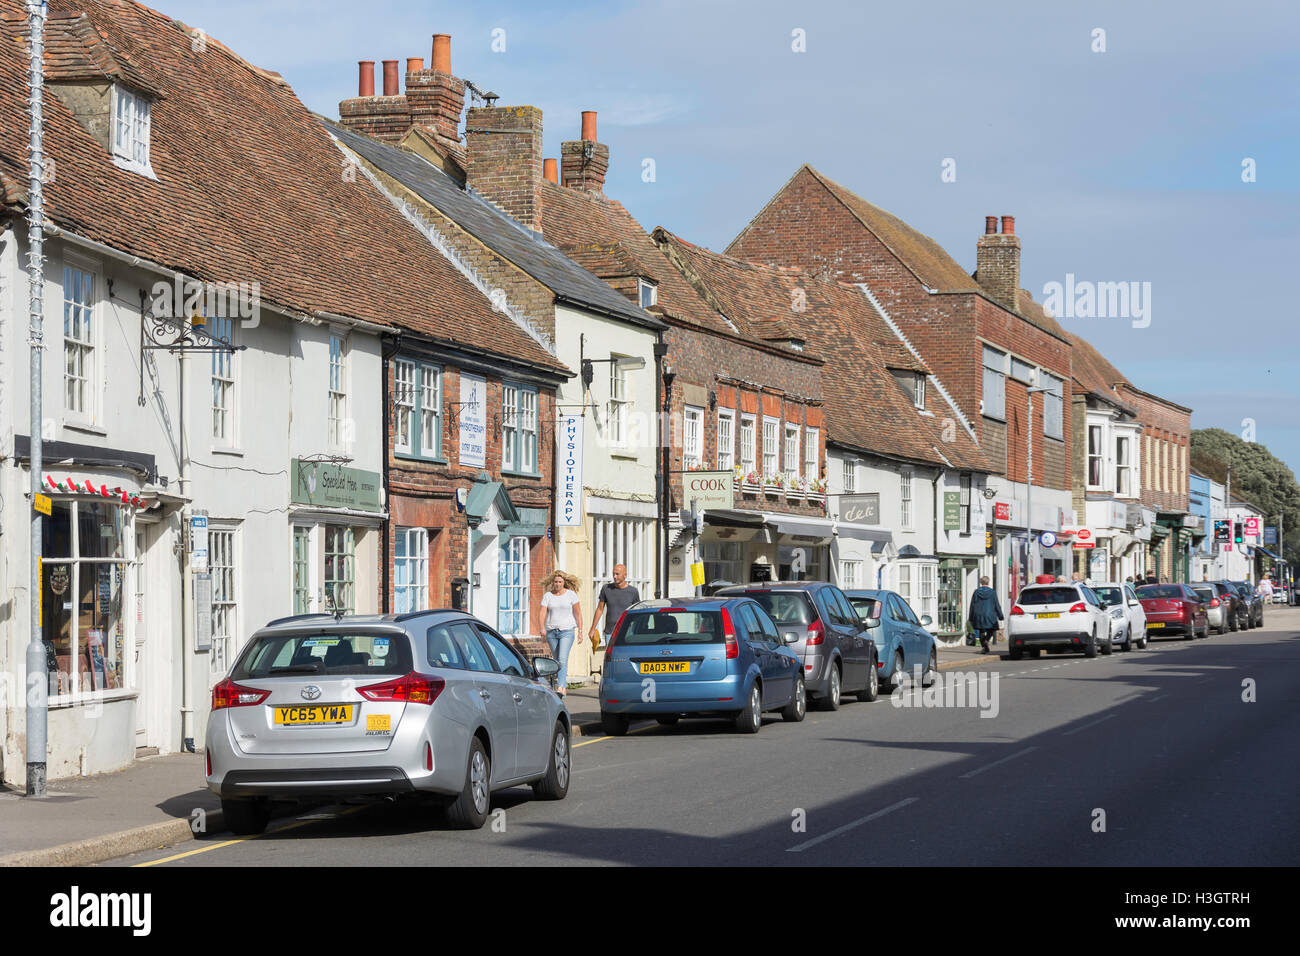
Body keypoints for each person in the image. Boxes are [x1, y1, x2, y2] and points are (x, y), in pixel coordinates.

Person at [540, 571, 583, 697]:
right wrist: (542, 628)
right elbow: (542, 613)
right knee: (556, 660)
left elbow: (578, 613)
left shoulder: (571, 595)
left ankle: (561, 686)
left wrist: (580, 631)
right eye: (556, 582)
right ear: (552, 583)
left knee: (562, 659)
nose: (557, 584)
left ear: (564, 583)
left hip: (567, 631)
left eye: (560, 582)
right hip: (551, 632)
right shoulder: (548, 596)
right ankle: (560, 686)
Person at [590, 563, 641, 650]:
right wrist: (593, 628)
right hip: (610, 631)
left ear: (625, 575)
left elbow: (638, 612)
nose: (614, 576)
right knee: (610, 658)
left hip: (628, 632)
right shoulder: (606, 589)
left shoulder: (633, 592)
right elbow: (599, 609)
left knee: (625, 656)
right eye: (613, 573)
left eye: (617, 574)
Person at [968, 575, 1003, 655]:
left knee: (981, 631)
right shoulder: (992, 592)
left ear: (981, 582)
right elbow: (996, 604)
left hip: (978, 615)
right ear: (988, 582)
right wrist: (1000, 615)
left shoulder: (976, 592)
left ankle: (984, 646)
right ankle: (986, 641)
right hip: (990, 615)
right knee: (991, 630)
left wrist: (971, 617)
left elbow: (972, 605)